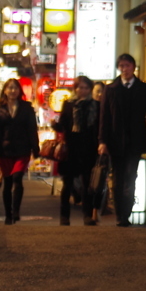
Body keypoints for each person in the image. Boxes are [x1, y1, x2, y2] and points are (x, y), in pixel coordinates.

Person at [99, 53, 146, 227]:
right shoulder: (111, 89)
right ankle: (119, 215)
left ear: (133, 67)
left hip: (136, 140)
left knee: (131, 177)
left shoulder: (143, 88)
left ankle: (126, 213)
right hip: (115, 140)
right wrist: (102, 141)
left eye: (128, 66)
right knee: (117, 178)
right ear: (119, 68)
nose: (125, 69)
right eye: (122, 66)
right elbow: (104, 118)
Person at [53, 76, 101, 226]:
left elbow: (98, 127)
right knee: (67, 184)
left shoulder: (96, 105)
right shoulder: (68, 104)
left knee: (87, 183)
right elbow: (63, 125)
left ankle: (87, 215)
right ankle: (64, 216)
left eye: (86, 88)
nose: (83, 90)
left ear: (90, 89)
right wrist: (55, 126)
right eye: (80, 87)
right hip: (71, 148)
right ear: (75, 88)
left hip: (89, 148)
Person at [0, 78, 40, 225]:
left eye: (15, 88)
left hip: (22, 149)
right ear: (5, 91)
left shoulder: (27, 108)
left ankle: (16, 210)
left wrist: (35, 148)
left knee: (17, 178)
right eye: (10, 88)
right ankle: (8, 214)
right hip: (4, 150)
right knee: (7, 182)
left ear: (19, 91)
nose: (12, 91)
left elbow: (32, 129)